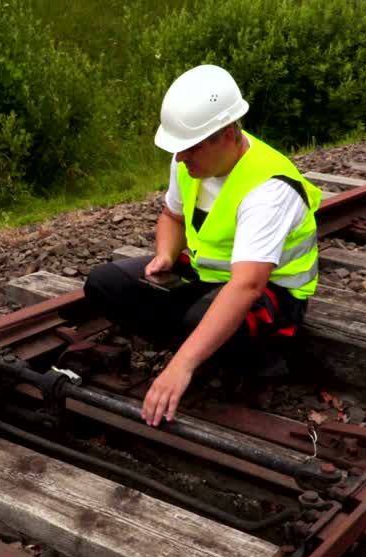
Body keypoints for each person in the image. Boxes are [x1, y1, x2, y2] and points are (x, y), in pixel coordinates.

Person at [84, 64, 321, 427]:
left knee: (200, 322)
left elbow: (247, 285)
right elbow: (173, 217)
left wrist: (179, 366)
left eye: (189, 149)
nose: (180, 157)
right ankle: (199, 345)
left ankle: (264, 363)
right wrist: (165, 253)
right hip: (206, 275)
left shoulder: (268, 188)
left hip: (272, 295)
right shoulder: (188, 162)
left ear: (226, 134)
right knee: (105, 283)